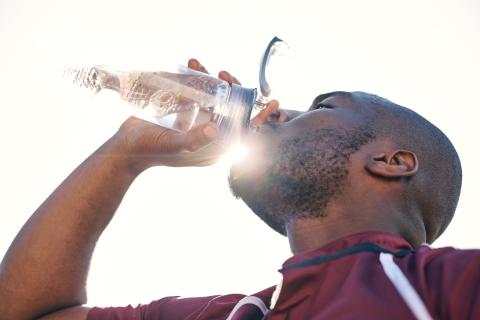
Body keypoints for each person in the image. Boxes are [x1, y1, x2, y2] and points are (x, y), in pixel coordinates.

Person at [0, 58, 477, 320]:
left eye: (322, 106)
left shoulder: (452, 286)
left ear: (391, 162)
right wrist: (125, 154)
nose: (271, 112)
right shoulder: (235, 314)